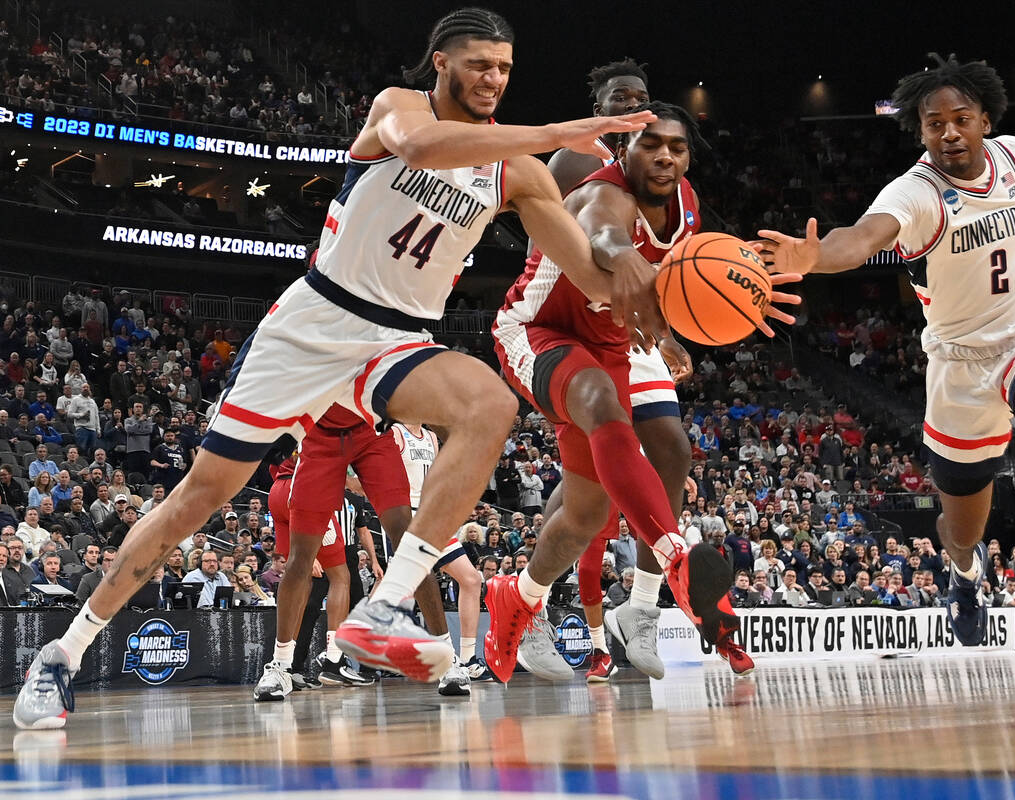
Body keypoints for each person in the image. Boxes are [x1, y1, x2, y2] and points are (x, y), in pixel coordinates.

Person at [15, 7, 657, 729]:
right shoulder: (400, 108)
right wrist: (551, 134)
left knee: (489, 404)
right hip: (315, 321)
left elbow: (595, 280)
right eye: (479, 63)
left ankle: (385, 607)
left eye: (505, 68)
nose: (493, 78)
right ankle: (62, 656)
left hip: (397, 339)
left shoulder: (520, 174)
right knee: (199, 498)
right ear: (441, 62)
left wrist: (653, 274)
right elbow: (421, 147)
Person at [758, 54, 1015, 674]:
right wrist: (815, 256)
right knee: (961, 527)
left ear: (984, 120)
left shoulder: (1011, 156)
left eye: (961, 119)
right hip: (956, 364)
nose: (949, 132)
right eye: (934, 124)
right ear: (921, 132)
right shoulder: (916, 192)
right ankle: (964, 574)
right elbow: (863, 236)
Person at [491, 102, 799, 683]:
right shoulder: (600, 193)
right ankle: (673, 555)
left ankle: (520, 596)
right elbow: (603, 233)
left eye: (676, 147)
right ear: (623, 151)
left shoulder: (685, 206)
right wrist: (622, 253)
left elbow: (677, 284)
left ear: (688, 157)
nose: (663, 155)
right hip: (537, 330)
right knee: (604, 406)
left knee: (586, 514)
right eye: (650, 144)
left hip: (609, 345)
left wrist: (676, 328)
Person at [255, 409, 396, 701]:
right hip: (305, 489)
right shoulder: (332, 421)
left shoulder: (290, 419)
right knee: (341, 577)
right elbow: (353, 478)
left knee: (299, 577)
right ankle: (334, 660)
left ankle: (286, 664)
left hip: (277, 491)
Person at [393, 421, 487, 694]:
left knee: (471, 579)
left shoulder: (431, 437)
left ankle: (468, 657)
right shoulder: (396, 433)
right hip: (408, 517)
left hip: (434, 515)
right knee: (415, 589)